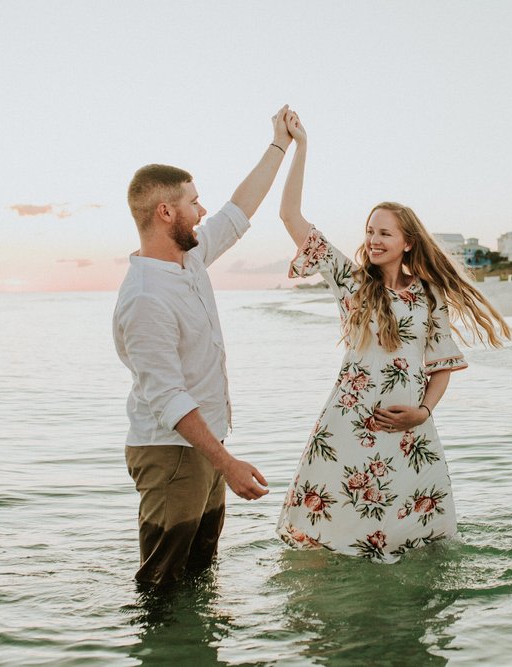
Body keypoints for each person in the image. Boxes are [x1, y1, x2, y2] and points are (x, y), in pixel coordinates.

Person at [275, 110, 511, 562]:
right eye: (370, 230)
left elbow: (441, 366)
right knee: (333, 534)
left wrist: (422, 413)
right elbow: (289, 215)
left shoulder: (427, 296)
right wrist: (300, 146)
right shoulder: (351, 282)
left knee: (415, 540)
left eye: (385, 232)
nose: (375, 238)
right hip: (348, 425)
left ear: (407, 242)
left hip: (408, 432)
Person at [114, 105, 292, 585]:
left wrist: (279, 144)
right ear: (166, 212)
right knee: (162, 585)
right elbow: (167, 397)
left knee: (199, 574)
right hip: (171, 454)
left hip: (204, 447)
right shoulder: (147, 298)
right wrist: (227, 464)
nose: (203, 209)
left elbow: (239, 210)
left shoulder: (188, 262)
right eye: (194, 202)